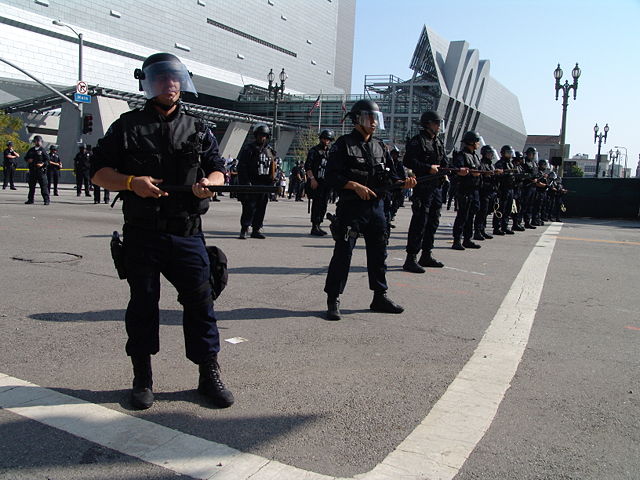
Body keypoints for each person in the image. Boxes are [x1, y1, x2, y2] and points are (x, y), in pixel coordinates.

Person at [90, 52, 234, 410]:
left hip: (186, 231)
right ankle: (142, 377)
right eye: (162, 79)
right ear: (148, 84)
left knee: (201, 304)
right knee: (143, 305)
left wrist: (209, 184)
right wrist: (129, 182)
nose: (170, 84)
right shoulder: (126, 126)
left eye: (175, 78)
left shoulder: (199, 127)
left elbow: (219, 170)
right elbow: (98, 172)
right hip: (143, 232)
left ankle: (207, 373)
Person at [323, 99, 416, 320]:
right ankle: (333, 298)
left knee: (378, 253)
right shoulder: (343, 144)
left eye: (376, 118)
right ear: (357, 119)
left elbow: (391, 175)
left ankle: (379, 296)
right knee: (343, 253)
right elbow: (331, 176)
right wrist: (353, 185)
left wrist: (404, 182)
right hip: (351, 208)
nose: (374, 122)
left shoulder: (380, 146)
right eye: (369, 117)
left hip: (377, 208)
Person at [402, 110, 448, 273]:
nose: (438, 126)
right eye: (436, 123)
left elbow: (444, 162)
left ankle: (426, 254)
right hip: (422, 187)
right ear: (428, 124)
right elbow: (408, 160)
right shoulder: (418, 141)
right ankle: (411, 258)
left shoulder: (438, 142)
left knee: (433, 221)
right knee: (420, 222)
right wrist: (427, 168)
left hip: (436, 188)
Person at [237, 123, 276, 239]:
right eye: (260, 135)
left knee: (261, 208)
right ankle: (244, 228)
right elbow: (242, 167)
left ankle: (256, 229)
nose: (262, 138)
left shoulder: (270, 151)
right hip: (251, 183)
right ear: (256, 135)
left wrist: (273, 180)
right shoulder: (249, 149)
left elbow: (274, 167)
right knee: (249, 207)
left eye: (264, 135)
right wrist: (245, 182)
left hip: (265, 184)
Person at [451, 131, 481, 250]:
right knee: (462, 215)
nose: (478, 144)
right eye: (477, 141)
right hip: (464, 189)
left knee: (471, 215)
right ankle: (457, 240)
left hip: (474, 190)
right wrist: (469, 173)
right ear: (471, 142)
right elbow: (458, 171)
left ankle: (467, 239)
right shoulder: (461, 155)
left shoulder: (475, 155)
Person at [305, 128, 334, 236]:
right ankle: (315, 226)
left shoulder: (331, 152)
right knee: (317, 204)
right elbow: (308, 166)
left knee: (324, 205)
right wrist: (312, 179)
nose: (326, 141)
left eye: (328, 139)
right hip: (317, 181)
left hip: (327, 182)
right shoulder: (314, 151)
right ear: (321, 139)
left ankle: (319, 223)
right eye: (325, 139)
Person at [473, 145, 501, 241]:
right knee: (481, 212)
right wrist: (488, 173)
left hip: (491, 191)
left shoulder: (491, 164)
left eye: (491, 154)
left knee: (486, 212)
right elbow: (480, 175)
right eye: (489, 153)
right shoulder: (481, 163)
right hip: (483, 191)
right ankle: (477, 231)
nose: (491, 155)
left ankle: (482, 230)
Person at [493, 145, 517, 236]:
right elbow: (497, 176)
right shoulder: (500, 163)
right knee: (501, 208)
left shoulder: (511, 163)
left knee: (508, 209)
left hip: (510, 188)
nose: (510, 155)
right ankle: (497, 227)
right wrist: (505, 174)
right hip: (503, 188)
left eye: (511, 153)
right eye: (508, 153)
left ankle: (505, 226)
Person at [24, 135, 50, 205]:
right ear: (34, 142)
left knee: (43, 186)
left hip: (40, 171)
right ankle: (30, 200)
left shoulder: (42, 150)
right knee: (31, 186)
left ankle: (46, 200)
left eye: (39, 141)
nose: (38, 142)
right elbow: (26, 158)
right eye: (36, 141)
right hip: (32, 171)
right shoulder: (31, 150)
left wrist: (42, 164)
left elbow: (47, 160)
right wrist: (28, 160)